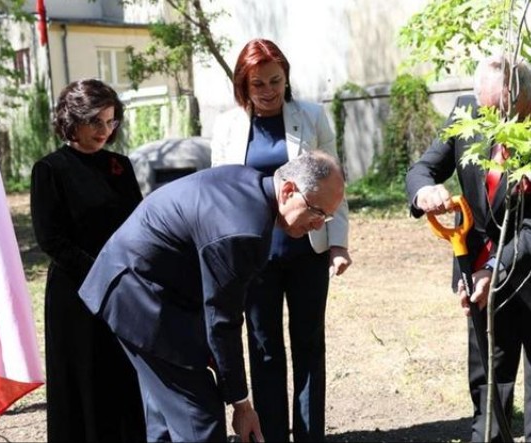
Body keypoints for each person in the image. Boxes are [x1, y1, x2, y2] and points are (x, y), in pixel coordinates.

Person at [77, 150, 345, 443]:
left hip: (136, 285)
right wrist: (241, 403)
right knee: (199, 418)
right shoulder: (244, 232)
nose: (319, 225)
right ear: (288, 190)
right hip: (141, 298)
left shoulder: (249, 183)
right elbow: (223, 321)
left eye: (328, 217)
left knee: (165, 416)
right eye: (317, 212)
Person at [405, 55, 531, 442]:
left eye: (506, 112)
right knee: (489, 380)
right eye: (487, 112)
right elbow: (423, 168)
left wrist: (495, 268)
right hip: (479, 272)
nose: (496, 125)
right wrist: (425, 190)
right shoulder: (466, 111)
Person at [211, 38, 351, 442]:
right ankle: (271, 434)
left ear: (287, 78)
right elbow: (222, 193)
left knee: (309, 345)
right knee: (263, 347)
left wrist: (339, 243)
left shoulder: (311, 117)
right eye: (258, 84)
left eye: (276, 80)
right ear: (243, 86)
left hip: (308, 248)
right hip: (255, 256)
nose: (269, 91)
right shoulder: (226, 126)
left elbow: (334, 183)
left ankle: (309, 435)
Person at [29, 78, 145, 442]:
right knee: (82, 380)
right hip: (74, 292)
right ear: (72, 119)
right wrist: (100, 272)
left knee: (121, 378)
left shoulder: (120, 167)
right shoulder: (50, 169)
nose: (104, 130)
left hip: (122, 288)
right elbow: (51, 239)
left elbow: (139, 225)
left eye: (111, 122)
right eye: (95, 121)